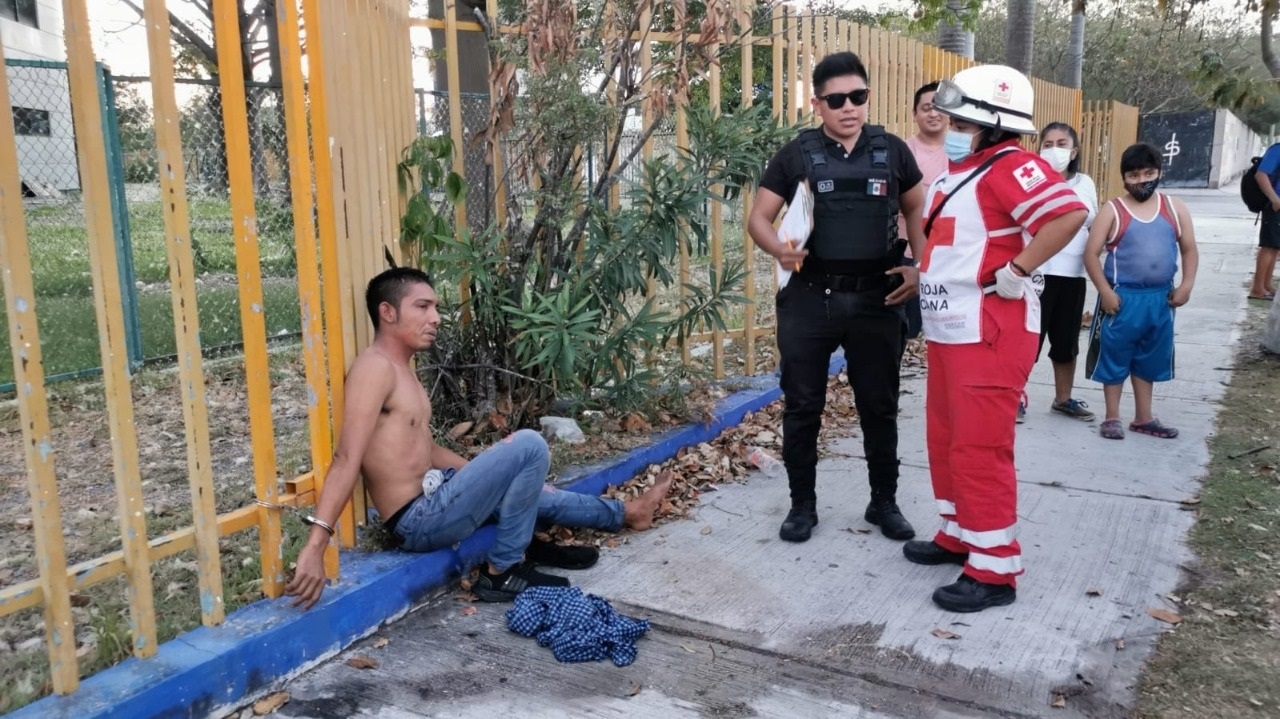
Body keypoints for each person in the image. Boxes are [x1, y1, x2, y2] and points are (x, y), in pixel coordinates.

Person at [284, 267, 672, 610]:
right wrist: (316, 545)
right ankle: (502, 572)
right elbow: (347, 457)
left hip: (439, 498)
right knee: (529, 444)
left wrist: (490, 479)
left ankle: (626, 514)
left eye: (435, 307)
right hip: (417, 520)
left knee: (531, 488)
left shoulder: (403, 371)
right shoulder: (374, 369)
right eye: (422, 307)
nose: (435, 318)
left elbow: (426, 449)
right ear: (388, 312)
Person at [901, 65, 1088, 612]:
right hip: (951, 331)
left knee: (980, 447)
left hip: (990, 333)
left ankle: (994, 568)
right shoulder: (963, 171)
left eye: (959, 118)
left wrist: (1018, 270)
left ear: (990, 123)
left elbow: (1068, 214)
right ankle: (960, 533)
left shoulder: (1012, 167)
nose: (949, 124)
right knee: (946, 437)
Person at [748, 51, 927, 544]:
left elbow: (917, 209)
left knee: (879, 405)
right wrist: (781, 251)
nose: (849, 107)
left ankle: (883, 501)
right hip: (810, 298)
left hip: (877, 299)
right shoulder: (797, 153)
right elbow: (759, 218)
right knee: (803, 405)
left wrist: (918, 266)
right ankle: (802, 506)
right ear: (818, 104)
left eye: (858, 97)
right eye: (837, 99)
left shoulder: (891, 150)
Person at [1083, 143, 1198, 441]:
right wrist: (1105, 292)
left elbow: (1189, 249)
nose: (1142, 180)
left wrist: (1186, 285)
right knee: (1114, 356)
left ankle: (1144, 417)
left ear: (1159, 172)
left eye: (1149, 173)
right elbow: (1091, 254)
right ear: (1124, 177)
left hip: (1160, 300)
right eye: (1134, 175)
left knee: (1149, 357)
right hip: (1121, 300)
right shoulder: (1113, 210)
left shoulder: (1174, 208)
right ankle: (1111, 417)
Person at [1032, 122, 1099, 422]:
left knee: (1066, 342)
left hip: (1072, 275)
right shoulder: (1030, 180)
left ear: (1074, 151)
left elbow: (1089, 221)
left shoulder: (1084, 183)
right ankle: (1015, 397)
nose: (1054, 150)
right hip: (1035, 274)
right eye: (1047, 144)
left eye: (1061, 144)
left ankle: (1063, 398)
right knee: (1027, 341)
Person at [898, 81, 949, 340]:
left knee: (948, 329)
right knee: (905, 330)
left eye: (939, 107)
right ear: (915, 114)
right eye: (926, 108)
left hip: (952, 256)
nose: (933, 113)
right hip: (909, 254)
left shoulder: (964, 152)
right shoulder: (903, 153)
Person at [1250, 142, 1280, 300]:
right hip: (1275, 206)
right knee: (1268, 246)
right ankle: (1257, 289)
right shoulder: (1278, 149)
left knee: (1275, 247)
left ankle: (1267, 286)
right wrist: (1274, 199)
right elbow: (1260, 174)